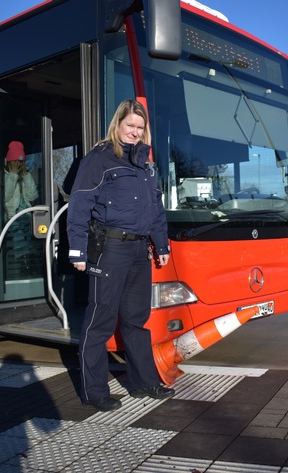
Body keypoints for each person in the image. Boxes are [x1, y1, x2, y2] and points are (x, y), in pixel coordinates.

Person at [66, 99, 173, 411]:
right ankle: (94, 391)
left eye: (140, 128)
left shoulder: (146, 164)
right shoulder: (99, 159)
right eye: (130, 126)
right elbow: (80, 204)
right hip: (110, 248)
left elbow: (155, 209)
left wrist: (161, 244)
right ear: (118, 125)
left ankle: (144, 382)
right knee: (99, 320)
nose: (135, 132)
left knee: (136, 320)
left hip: (140, 250)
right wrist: (77, 250)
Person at [4, 141, 38, 220]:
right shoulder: (1, 176)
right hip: (11, 219)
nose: (18, 165)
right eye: (15, 162)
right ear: (9, 162)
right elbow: (4, 197)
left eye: (20, 162)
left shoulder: (25, 176)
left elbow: (33, 197)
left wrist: (26, 175)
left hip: (27, 217)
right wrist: (12, 175)